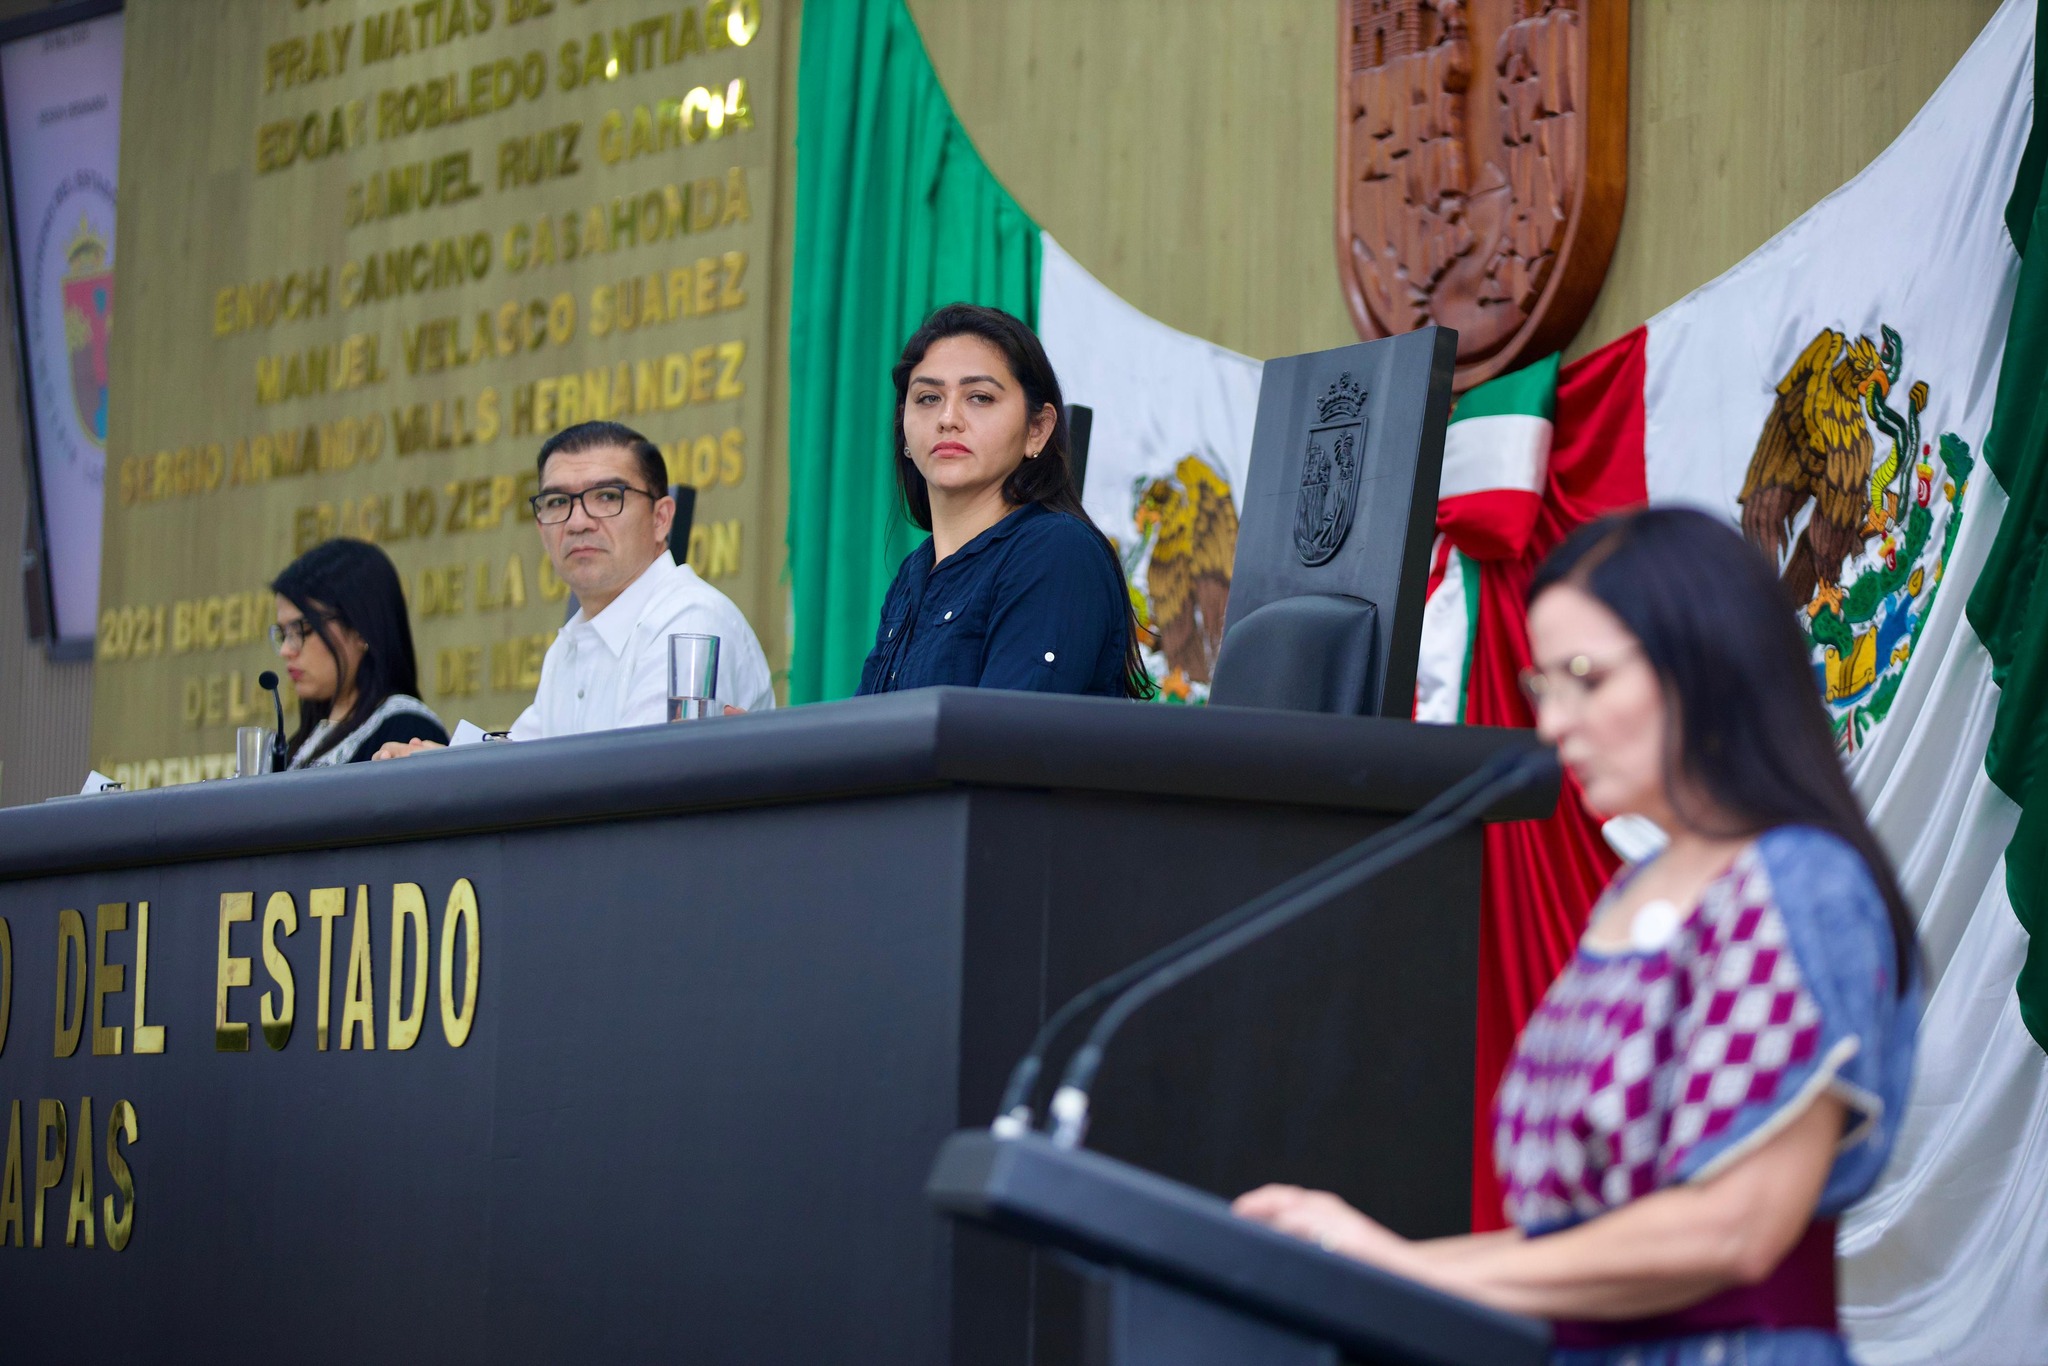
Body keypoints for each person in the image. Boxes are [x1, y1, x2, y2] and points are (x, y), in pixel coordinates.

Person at [1234, 508, 1919, 1366]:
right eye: (1543, 688)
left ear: (1707, 661)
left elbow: (1733, 1228)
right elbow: (1573, 1239)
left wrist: (1398, 1270)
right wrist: (1363, 1265)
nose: (1554, 725)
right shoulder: (1634, 890)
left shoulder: (1799, 881)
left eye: (1587, 678)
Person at [377, 421, 773, 758]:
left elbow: (644, 776)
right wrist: (436, 763)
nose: (578, 521)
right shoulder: (572, 643)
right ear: (540, 526)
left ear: (660, 518)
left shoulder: (691, 621)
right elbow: (526, 758)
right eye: (557, 501)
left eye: (606, 497)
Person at [857, 303, 1153, 699]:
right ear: (904, 429)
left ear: (1037, 429)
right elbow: (863, 739)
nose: (947, 418)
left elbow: (1003, 749)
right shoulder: (913, 576)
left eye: (979, 397)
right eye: (928, 398)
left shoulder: (1058, 552)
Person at [271, 539, 448, 767]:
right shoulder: (305, 739)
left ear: (360, 630)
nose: (286, 650)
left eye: (301, 630)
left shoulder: (407, 730)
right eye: (283, 633)